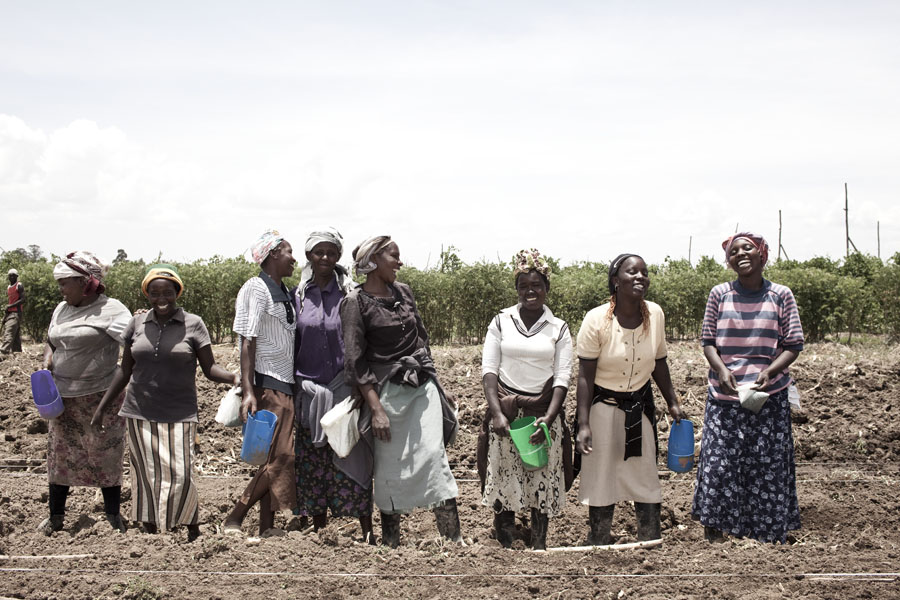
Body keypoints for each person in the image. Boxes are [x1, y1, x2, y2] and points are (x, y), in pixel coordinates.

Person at [92, 264, 239, 538]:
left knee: (181, 473)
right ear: (147, 294)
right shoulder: (136, 324)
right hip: (139, 410)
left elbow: (209, 368)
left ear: (177, 293)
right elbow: (124, 370)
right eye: (155, 292)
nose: (161, 298)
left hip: (180, 411)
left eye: (168, 292)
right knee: (146, 474)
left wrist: (233, 378)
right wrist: (103, 408)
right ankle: (148, 528)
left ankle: (190, 524)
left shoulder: (193, 324)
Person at [341, 235, 461, 548]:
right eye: (394, 256)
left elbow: (421, 342)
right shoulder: (355, 303)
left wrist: (439, 384)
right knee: (390, 468)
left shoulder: (403, 292)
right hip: (387, 396)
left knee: (435, 458)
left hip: (422, 389)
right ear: (373, 261)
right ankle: (392, 546)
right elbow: (355, 362)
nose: (399, 262)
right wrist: (376, 409)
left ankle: (453, 542)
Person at [692, 232, 804, 544]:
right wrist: (721, 369)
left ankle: (767, 534)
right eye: (733, 251)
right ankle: (716, 534)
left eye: (747, 248)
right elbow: (708, 342)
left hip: (768, 394)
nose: (740, 254)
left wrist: (770, 370)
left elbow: (794, 344)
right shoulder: (720, 294)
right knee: (719, 463)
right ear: (728, 261)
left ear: (762, 254)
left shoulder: (781, 295)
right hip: (724, 393)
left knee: (766, 465)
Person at [574, 254, 683, 544]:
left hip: (639, 407)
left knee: (645, 474)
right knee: (601, 475)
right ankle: (599, 540)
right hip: (603, 407)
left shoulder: (655, 314)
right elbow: (585, 375)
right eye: (631, 272)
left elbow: (659, 361)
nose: (640, 277)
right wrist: (583, 424)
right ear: (615, 280)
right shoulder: (596, 319)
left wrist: (672, 401)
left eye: (644, 273)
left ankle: (650, 539)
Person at [477, 249, 574, 550]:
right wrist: (497, 413)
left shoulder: (558, 328)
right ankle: (505, 538)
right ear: (516, 289)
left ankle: (539, 541)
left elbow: (562, 377)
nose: (530, 291)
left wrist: (550, 417)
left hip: (543, 410)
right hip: (506, 407)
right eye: (524, 286)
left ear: (547, 288)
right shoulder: (501, 321)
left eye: (537, 285)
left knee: (541, 470)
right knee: (505, 470)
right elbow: (489, 371)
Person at [39, 252, 132, 535]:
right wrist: (46, 363)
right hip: (62, 397)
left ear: (86, 284)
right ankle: (56, 517)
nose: (61, 290)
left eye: (65, 283)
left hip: (101, 396)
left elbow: (132, 347)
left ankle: (112, 515)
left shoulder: (113, 311)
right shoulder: (61, 308)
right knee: (60, 454)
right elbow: (51, 341)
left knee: (106, 454)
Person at [291, 228, 374, 543]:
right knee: (313, 460)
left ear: (338, 256)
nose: (324, 258)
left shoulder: (350, 293)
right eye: (318, 252)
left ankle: (366, 530)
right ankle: (319, 530)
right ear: (309, 256)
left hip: (344, 386)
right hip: (309, 389)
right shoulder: (298, 295)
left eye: (331, 252)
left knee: (354, 453)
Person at [224, 230, 299, 535]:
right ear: (272, 255)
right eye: (289, 252)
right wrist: (249, 392)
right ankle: (235, 515)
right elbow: (247, 340)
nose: (294, 259)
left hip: (285, 382)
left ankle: (266, 527)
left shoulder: (282, 290)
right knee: (283, 456)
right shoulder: (256, 288)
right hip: (268, 383)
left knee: (272, 458)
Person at [1, 268, 25, 354]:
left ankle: (4, 351)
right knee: (15, 335)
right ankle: (17, 352)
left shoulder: (19, 285)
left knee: (9, 331)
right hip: (10, 312)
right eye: (10, 275)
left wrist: (11, 306)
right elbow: (10, 301)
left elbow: (23, 300)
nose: (11, 277)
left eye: (13, 275)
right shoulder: (9, 287)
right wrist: (6, 314)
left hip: (16, 313)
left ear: (16, 276)